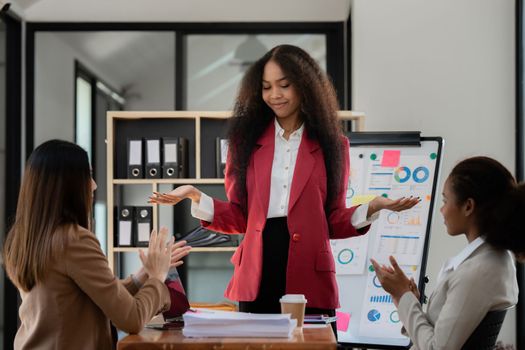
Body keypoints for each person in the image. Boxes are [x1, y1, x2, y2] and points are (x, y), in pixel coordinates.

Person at [150, 44, 418, 320]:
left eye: (284, 85)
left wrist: (372, 207)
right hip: (258, 271)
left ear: (305, 86)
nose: (274, 95)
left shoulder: (333, 146)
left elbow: (333, 220)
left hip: (309, 275)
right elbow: (241, 217)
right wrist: (196, 196)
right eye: (266, 87)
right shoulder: (244, 143)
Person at [2, 140, 191, 350]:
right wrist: (157, 278)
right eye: (87, 176)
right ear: (67, 185)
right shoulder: (74, 240)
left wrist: (144, 274)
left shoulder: (24, 238)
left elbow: (93, 296)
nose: (94, 185)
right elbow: (132, 319)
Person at [371, 156, 524, 349]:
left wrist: (404, 296)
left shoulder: (480, 270)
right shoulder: (491, 259)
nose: (442, 210)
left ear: (468, 206)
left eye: (445, 200)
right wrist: (407, 300)